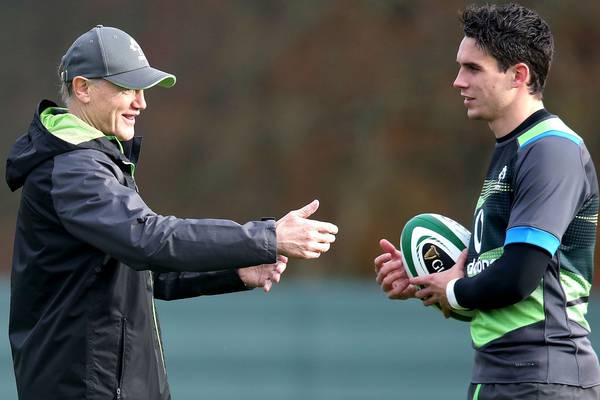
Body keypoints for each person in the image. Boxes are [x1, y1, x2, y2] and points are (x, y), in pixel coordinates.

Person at [5, 25, 338, 400]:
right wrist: (266, 237)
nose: (141, 102)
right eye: (127, 88)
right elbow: (151, 240)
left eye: (142, 90)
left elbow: (141, 273)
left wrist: (235, 269)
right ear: (82, 88)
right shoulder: (75, 169)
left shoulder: (92, 163)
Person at [374, 3, 600, 399]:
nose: (458, 81)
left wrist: (454, 290)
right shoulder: (511, 150)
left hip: (542, 379)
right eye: (460, 66)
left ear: (519, 75)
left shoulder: (550, 150)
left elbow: (518, 277)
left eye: (473, 68)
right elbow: (499, 290)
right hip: (504, 374)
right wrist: (427, 281)